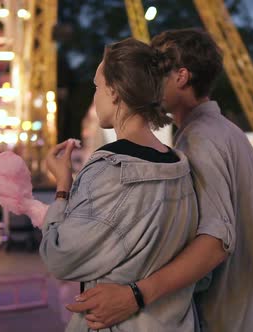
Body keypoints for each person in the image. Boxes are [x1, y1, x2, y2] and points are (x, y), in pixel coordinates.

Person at [66, 28, 253, 332]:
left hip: (221, 319)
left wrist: (134, 296)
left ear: (181, 77)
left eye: (157, 69)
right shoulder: (226, 132)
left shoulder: (201, 139)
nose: (146, 77)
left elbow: (215, 242)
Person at [40, 38, 200, 331]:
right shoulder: (181, 168)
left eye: (97, 86)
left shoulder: (110, 170)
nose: (95, 96)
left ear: (114, 92)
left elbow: (59, 258)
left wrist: (63, 186)